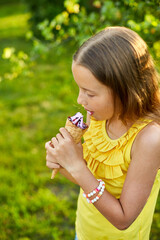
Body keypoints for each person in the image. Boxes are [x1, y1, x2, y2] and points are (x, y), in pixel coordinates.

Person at [45, 26, 160, 240]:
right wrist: (64, 163)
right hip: (86, 231)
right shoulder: (97, 118)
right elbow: (91, 180)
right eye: (79, 89)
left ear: (125, 91)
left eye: (89, 93)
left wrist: (77, 167)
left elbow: (124, 218)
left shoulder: (149, 139)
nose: (80, 100)